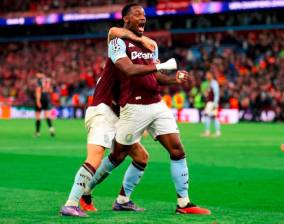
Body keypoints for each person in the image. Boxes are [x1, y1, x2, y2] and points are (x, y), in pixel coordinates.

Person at [90, 3, 210, 215]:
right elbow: (127, 69)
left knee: (177, 149)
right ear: (126, 19)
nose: (142, 17)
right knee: (117, 156)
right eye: (137, 14)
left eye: (144, 14)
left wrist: (174, 79)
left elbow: (156, 76)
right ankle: (86, 188)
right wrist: (159, 66)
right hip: (133, 107)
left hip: (156, 104)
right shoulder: (117, 42)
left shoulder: (149, 45)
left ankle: (184, 203)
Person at [60, 26, 178, 217]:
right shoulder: (118, 54)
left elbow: (147, 81)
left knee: (141, 157)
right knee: (96, 156)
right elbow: (113, 31)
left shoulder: (133, 63)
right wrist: (141, 41)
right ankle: (71, 203)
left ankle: (121, 200)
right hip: (103, 111)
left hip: (120, 116)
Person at [34, 72, 55, 137]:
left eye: (37, 74)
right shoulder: (48, 80)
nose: (36, 75)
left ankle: (37, 132)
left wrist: (38, 101)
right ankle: (51, 128)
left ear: (40, 74)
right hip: (46, 97)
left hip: (41, 97)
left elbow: (38, 90)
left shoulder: (39, 80)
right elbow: (51, 90)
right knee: (47, 115)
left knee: (38, 116)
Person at [202, 71, 221, 137]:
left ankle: (208, 131)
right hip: (210, 102)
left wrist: (215, 104)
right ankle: (216, 132)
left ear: (211, 75)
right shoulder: (209, 84)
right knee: (213, 117)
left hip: (212, 103)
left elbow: (216, 94)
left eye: (207, 75)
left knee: (209, 116)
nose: (206, 76)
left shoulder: (214, 83)